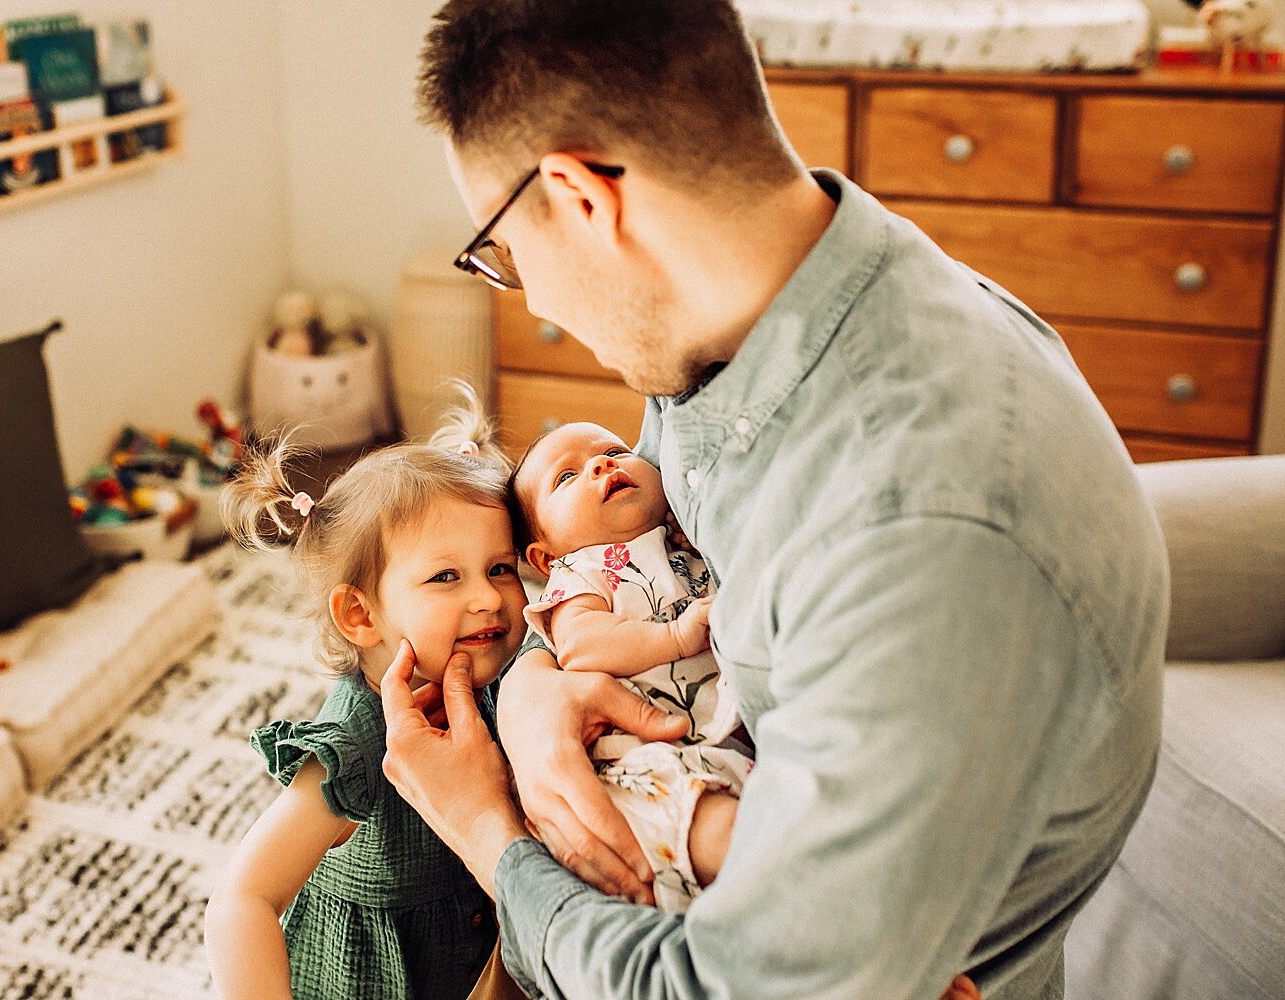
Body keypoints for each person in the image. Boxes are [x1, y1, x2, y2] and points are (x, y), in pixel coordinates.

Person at [379, 2, 1169, 998]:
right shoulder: (746, 327)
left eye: (502, 251)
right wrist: (536, 691)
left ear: (583, 198)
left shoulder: (929, 532)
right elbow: (603, 552)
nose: (527, 298)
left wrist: (488, 835)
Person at [202, 394, 526, 1000]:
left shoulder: (509, 683)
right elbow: (241, 900)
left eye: (501, 568)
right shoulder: (353, 748)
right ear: (360, 613)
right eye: (446, 577)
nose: (488, 598)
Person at [511, 419, 749, 911]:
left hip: (725, 738)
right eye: (567, 477)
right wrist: (675, 636)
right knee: (734, 836)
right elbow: (581, 646)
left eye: (616, 450)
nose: (602, 464)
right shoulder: (580, 572)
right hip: (648, 762)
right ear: (545, 554)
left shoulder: (685, 538)